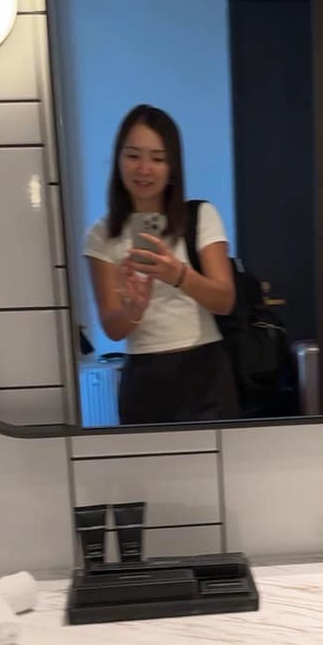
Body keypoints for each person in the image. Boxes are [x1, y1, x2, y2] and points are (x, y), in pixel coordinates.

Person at [83, 104, 239, 424]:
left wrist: (178, 274)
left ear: (172, 167)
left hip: (205, 373)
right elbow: (112, 328)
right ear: (118, 159)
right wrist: (134, 309)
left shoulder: (201, 217)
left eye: (157, 158)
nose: (144, 169)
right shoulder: (101, 235)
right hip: (143, 380)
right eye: (133, 155)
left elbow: (225, 300)